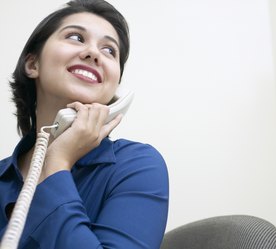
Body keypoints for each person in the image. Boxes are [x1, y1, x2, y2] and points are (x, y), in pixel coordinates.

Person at [0, 0, 169, 248]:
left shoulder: (137, 166)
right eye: (76, 37)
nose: (93, 53)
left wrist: (56, 164)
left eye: (110, 50)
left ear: (114, 86)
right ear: (33, 64)